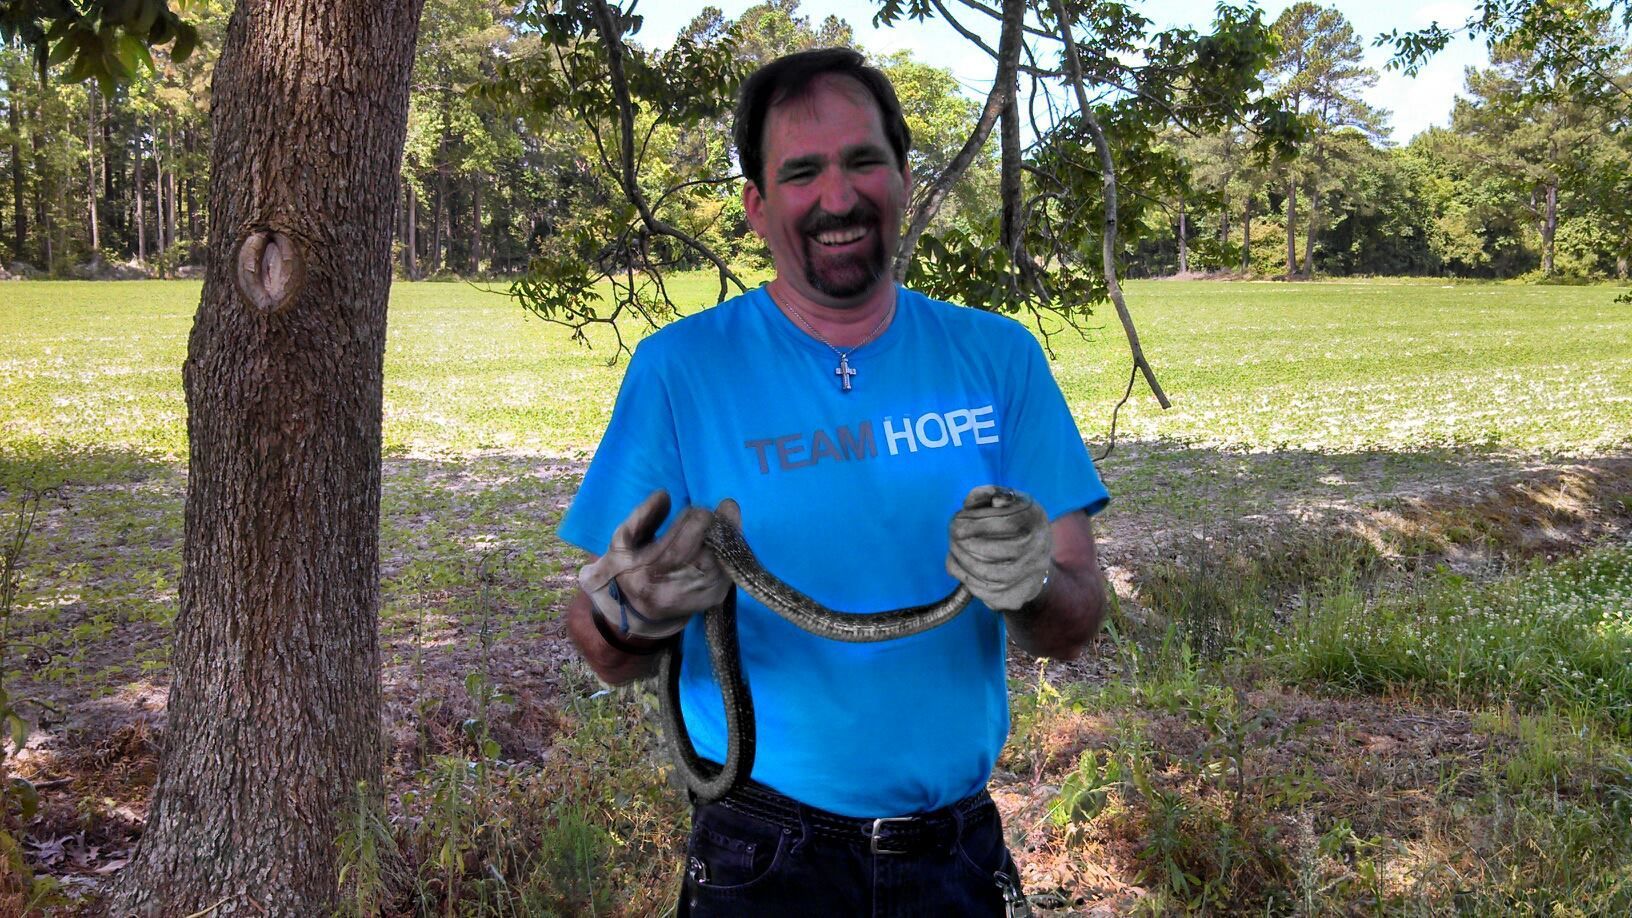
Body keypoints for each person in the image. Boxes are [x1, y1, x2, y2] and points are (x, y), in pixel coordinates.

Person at [558, 47, 1110, 916]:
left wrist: (1032, 583)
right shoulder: (679, 371)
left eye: (863, 162)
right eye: (802, 171)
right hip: (762, 855)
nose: (838, 197)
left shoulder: (999, 358)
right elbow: (599, 646)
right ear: (757, 205)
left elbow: (1077, 621)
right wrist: (633, 610)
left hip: (955, 853)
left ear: (903, 179)